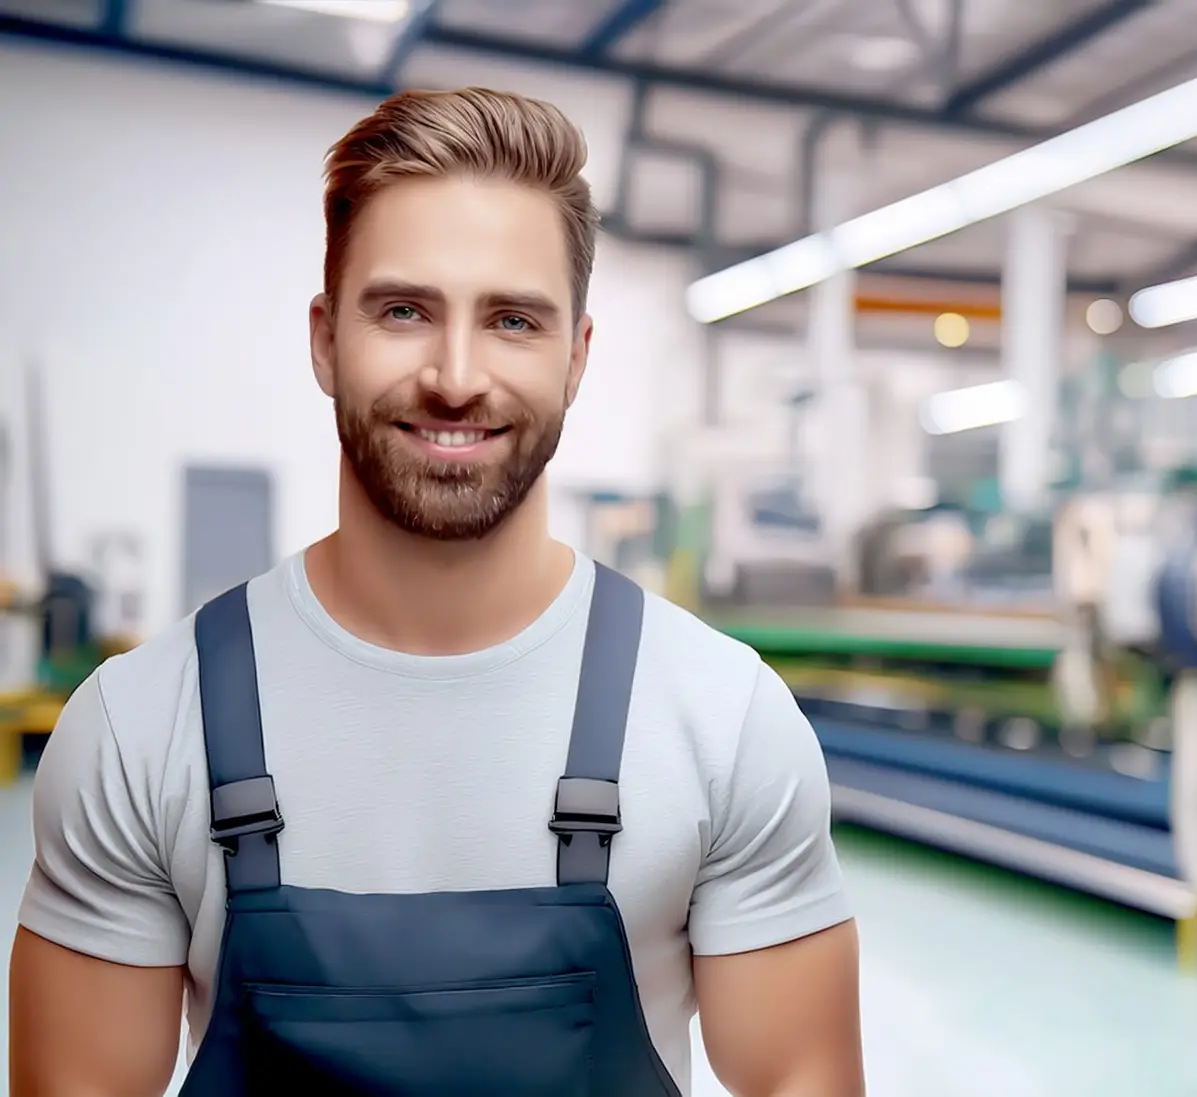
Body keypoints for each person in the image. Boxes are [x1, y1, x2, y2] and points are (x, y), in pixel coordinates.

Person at [9, 87, 863, 1097]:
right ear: (325, 339)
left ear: (576, 358)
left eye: (513, 320)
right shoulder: (140, 729)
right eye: (404, 310)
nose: (456, 376)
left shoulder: (722, 721)